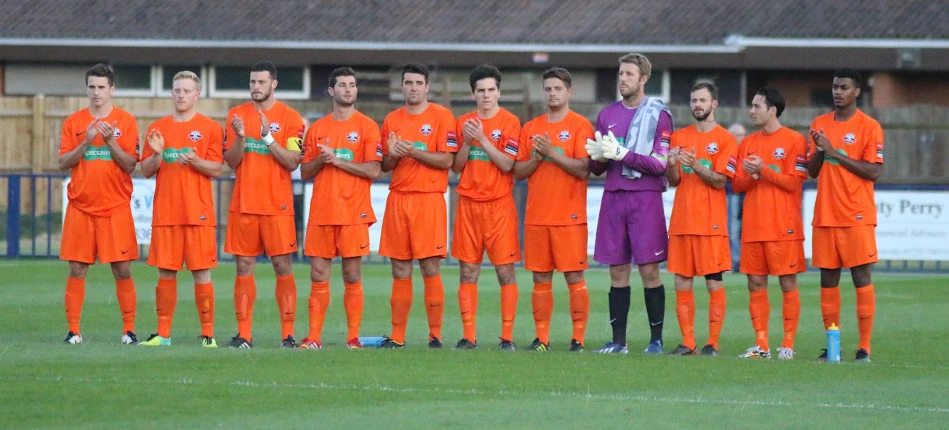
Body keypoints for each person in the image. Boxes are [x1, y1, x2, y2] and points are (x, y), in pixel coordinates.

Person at [585, 53, 672, 355]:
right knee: (617, 271)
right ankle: (618, 341)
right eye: (620, 73)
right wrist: (596, 156)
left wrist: (623, 154)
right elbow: (597, 169)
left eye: (629, 74)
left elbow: (660, 165)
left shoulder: (659, 114)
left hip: (644, 199)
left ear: (644, 79)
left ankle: (656, 340)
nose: (622, 79)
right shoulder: (607, 115)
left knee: (649, 270)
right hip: (614, 197)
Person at [138, 71, 224, 347]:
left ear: (197, 95)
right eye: (176, 91)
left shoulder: (210, 128)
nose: (181, 95)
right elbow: (147, 170)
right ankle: (163, 334)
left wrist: (196, 161)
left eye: (186, 91)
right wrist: (157, 153)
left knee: (202, 272)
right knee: (165, 272)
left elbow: (217, 168)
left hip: (198, 212)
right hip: (166, 212)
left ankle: (208, 334)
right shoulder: (158, 128)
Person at [223, 62, 305, 348]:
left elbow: (293, 162)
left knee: (282, 266)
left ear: (274, 84)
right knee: (243, 266)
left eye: (261, 82)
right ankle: (244, 334)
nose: (256, 87)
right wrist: (242, 137)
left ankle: (288, 335)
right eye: (252, 82)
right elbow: (231, 161)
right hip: (244, 204)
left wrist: (268, 137)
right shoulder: (236, 116)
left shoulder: (292, 118)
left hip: (277, 207)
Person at [299, 67, 382, 350]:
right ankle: (313, 338)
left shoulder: (368, 127)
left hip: (353, 212)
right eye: (343, 85)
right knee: (318, 275)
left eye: (353, 85)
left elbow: (373, 169)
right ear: (332, 91)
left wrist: (337, 161)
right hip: (322, 211)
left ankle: (353, 338)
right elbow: (305, 172)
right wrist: (322, 161)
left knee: (352, 275)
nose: (349, 89)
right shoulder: (318, 129)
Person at [57, 63, 140, 345]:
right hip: (81, 207)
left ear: (112, 89)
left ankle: (129, 330)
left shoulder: (126, 122)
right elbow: (62, 162)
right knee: (77, 269)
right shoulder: (74, 122)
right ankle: (73, 331)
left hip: (115, 207)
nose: (96, 92)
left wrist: (108, 142)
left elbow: (130, 164)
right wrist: (87, 143)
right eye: (91, 87)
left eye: (101, 87)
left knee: (122, 269)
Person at [512, 67, 593, 352]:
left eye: (558, 88)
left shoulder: (581, 126)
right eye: (548, 89)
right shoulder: (531, 128)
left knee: (574, 277)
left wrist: (552, 153)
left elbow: (584, 169)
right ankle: (542, 339)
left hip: (569, 215)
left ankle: (578, 339)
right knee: (540, 278)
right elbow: (519, 171)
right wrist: (538, 156)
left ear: (569, 92)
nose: (552, 93)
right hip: (537, 215)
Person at [806, 68, 883, 363]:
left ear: (857, 92)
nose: (838, 92)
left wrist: (834, 151)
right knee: (828, 281)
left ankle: (864, 348)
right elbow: (812, 172)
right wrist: (820, 151)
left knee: (861, 277)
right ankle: (832, 345)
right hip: (826, 214)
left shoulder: (869, 126)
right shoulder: (819, 124)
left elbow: (873, 171)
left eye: (845, 87)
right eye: (835, 86)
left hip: (856, 215)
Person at [377, 63, 457, 349]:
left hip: (429, 199)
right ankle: (397, 337)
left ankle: (435, 335)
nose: (413, 87)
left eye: (418, 83)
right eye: (408, 83)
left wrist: (412, 151)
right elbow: (384, 165)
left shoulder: (442, 116)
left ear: (427, 87)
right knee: (399, 269)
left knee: (430, 266)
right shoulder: (391, 120)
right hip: (398, 199)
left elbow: (447, 161)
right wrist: (394, 155)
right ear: (402, 87)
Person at [451, 64, 522, 351]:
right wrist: (468, 142)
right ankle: (469, 336)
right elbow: (456, 166)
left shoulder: (510, 122)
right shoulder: (463, 122)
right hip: (468, 204)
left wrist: (481, 139)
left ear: (499, 92)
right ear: (473, 94)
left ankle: (507, 337)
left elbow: (508, 165)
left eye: (491, 90)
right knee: (468, 272)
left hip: (499, 205)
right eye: (481, 91)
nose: (486, 95)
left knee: (505, 272)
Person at [732, 87, 807, 360]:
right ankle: (761, 345)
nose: (751, 111)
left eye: (757, 106)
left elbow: (793, 183)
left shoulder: (795, 140)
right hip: (754, 225)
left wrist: (763, 170)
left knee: (787, 282)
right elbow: (737, 185)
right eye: (751, 106)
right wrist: (752, 175)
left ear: (772, 110)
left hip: (783, 225)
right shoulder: (747, 143)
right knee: (755, 283)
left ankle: (787, 344)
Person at [665, 82, 737, 357]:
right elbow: (673, 182)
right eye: (694, 100)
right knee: (682, 281)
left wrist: (696, 165)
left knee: (713, 281)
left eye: (702, 100)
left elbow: (721, 181)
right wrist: (671, 166)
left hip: (711, 223)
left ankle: (713, 343)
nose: (697, 105)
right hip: (683, 220)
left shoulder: (725, 140)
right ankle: (689, 343)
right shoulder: (679, 137)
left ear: (714, 103)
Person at [726, 123, 748, 272]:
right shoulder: (725, 151)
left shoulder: (748, 151)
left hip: (746, 193)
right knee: (732, 229)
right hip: (731, 193)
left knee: (744, 229)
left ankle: (744, 260)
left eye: (740, 135)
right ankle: (736, 261)